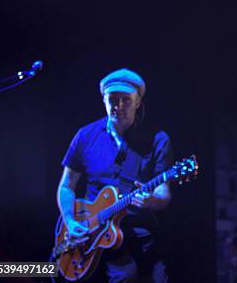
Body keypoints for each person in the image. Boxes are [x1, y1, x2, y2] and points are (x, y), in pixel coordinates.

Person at [56, 68, 173, 282]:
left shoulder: (158, 139)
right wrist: (70, 221)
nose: (118, 106)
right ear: (104, 100)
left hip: (139, 233)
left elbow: (164, 192)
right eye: (112, 99)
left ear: (138, 102)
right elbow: (67, 186)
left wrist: (152, 200)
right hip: (92, 232)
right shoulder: (86, 135)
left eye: (126, 100)